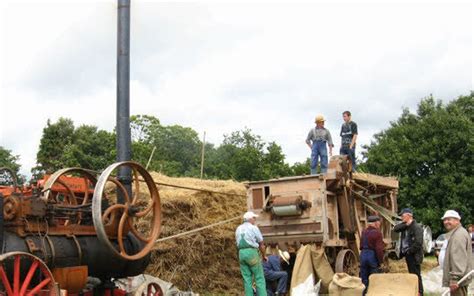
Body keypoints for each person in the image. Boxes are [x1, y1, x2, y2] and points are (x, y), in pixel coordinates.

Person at [440, 210, 472, 296]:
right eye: (444, 220)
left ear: (457, 220)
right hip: (459, 279)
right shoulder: (457, 233)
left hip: (458, 280)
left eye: (449, 219)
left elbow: (459, 258)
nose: (446, 222)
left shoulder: (458, 236)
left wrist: (454, 279)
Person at [235, 211, 267, 296]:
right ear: (250, 219)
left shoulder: (238, 228)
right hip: (251, 253)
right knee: (259, 278)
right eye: (254, 218)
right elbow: (261, 244)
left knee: (247, 279)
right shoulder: (253, 228)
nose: (255, 220)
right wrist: (264, 255)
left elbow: (237, 244)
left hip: (241, 253)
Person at [393, 208, 424, 295]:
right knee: (411, 274)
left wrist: (409, 251)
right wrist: (406, 224)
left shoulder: (417, 227)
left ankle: (420, 292)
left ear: (409, 216)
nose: (401, 218)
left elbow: (418, 243)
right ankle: (414, 291)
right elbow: (395, 229)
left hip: (414, 255)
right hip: (408, 254)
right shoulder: (406, 226)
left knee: (416, 275)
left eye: (403, 216)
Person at [359, 215, 384, 294]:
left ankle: (364, 293)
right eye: (379, 223)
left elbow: (360, 246)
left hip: (363, 255)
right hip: (372, 256)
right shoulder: (377, 233)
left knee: (364, 278)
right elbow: (379, 249)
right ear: (376, 223)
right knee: (374, 278)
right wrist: (381, 261)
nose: (379, 224)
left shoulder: (364, 232)